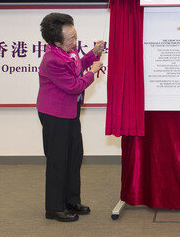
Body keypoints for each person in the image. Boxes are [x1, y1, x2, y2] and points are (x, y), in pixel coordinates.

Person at [37, 12, 104, 222]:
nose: (75, 42)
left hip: (70, 112)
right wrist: (93, 72)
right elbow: (74, 86)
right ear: (56, 41)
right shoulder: (51, 60)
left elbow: (76, 66)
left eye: (76, 36)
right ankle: (54, 208)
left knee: (74, 157)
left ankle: (71, 201)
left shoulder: (69, 51)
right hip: (54, 115)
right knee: (58, 160)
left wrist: (93, 53)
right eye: (71, 39)